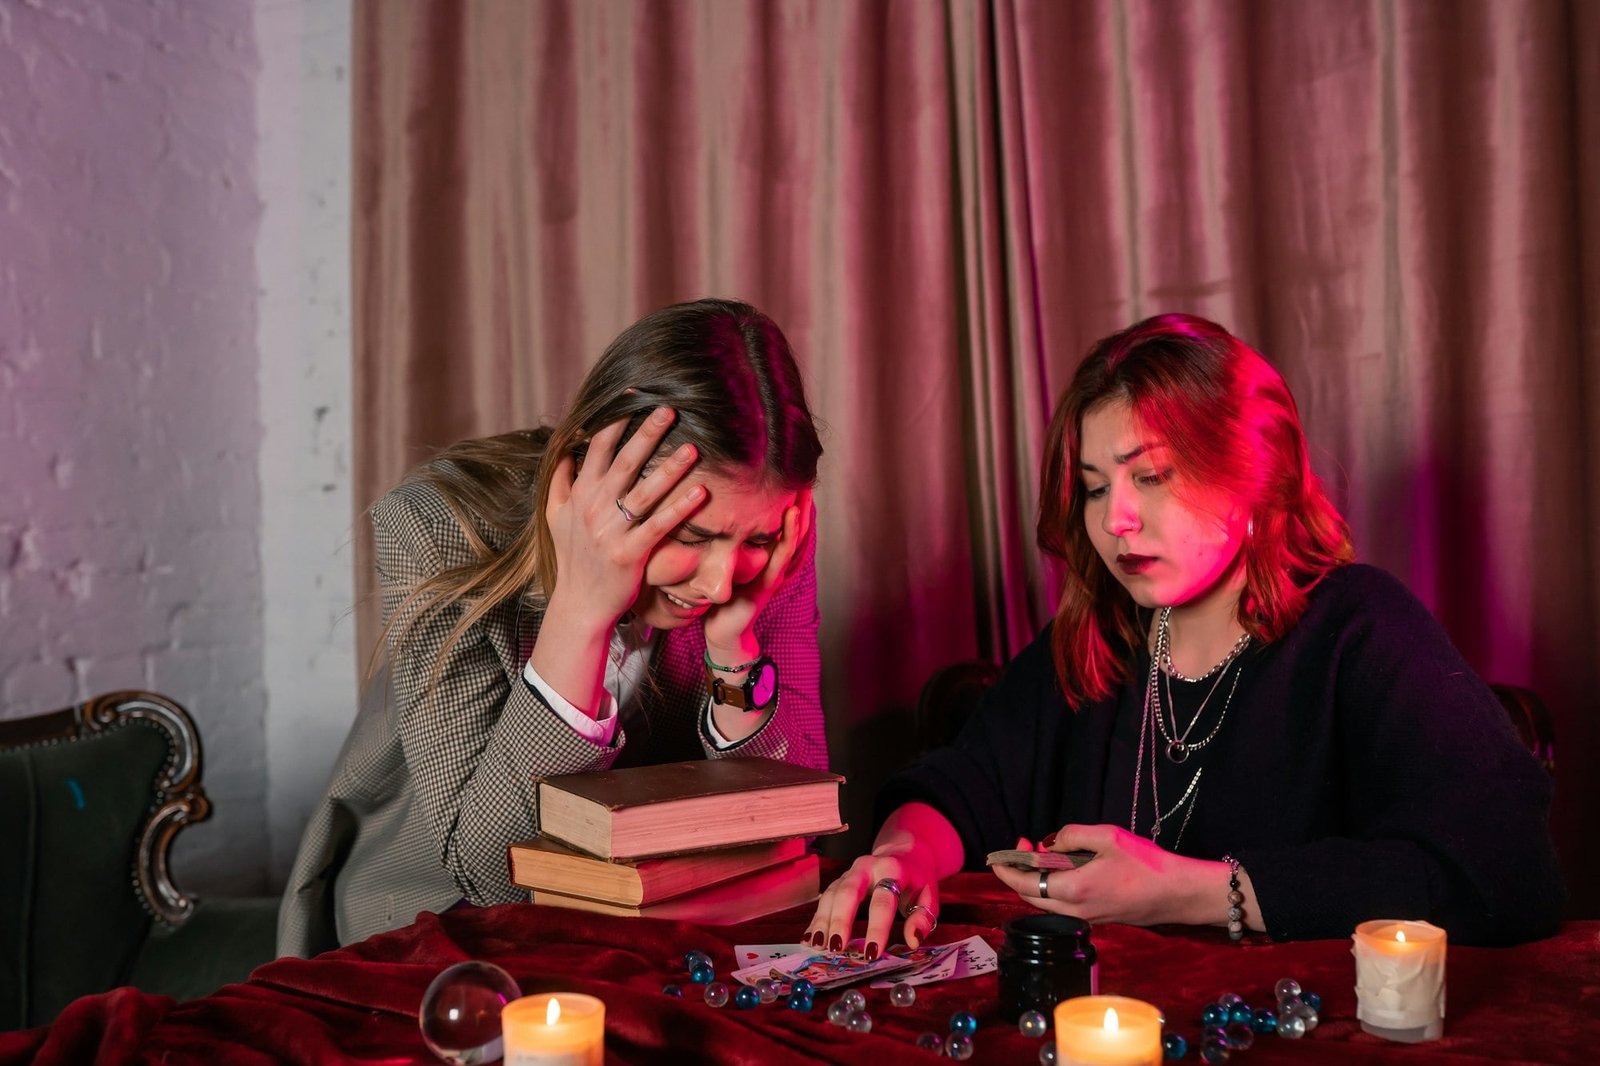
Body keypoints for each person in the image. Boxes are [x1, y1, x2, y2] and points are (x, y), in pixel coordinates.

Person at [806, 313, 1563, 955]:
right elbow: (963, 786)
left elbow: (1510, 872)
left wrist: (1193, 892)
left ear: (1251, 471)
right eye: (1096, 486)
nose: (1114, 521)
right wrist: (902, 856)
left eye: (1153, 476)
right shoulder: (1105, 634)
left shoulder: (1358, 628)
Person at [280, 298, 826, 956]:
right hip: (429, 931)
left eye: (756, 541)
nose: (718, 582)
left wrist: (734, 650)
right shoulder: (435, 526)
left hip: (642, 932)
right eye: (688, 534)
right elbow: (490, 873)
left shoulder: (760, 540)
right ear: (602, 472)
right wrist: (582, 610)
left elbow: (797, 823)